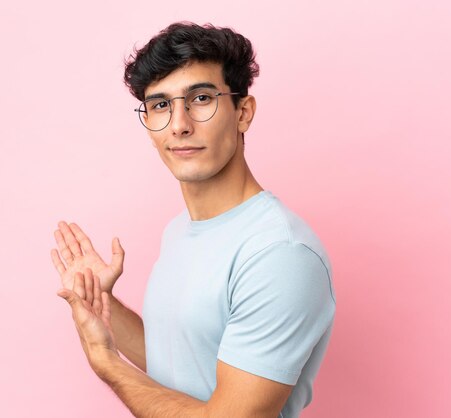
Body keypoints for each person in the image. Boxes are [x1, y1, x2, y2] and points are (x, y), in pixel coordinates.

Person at [50, 22, 336, 418]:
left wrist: (108, 363)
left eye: (201, 98)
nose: (180, 124)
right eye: (161, 105)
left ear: (243, 112)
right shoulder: (180, 230)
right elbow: (181, 359)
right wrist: (102, 304)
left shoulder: (279, 254)